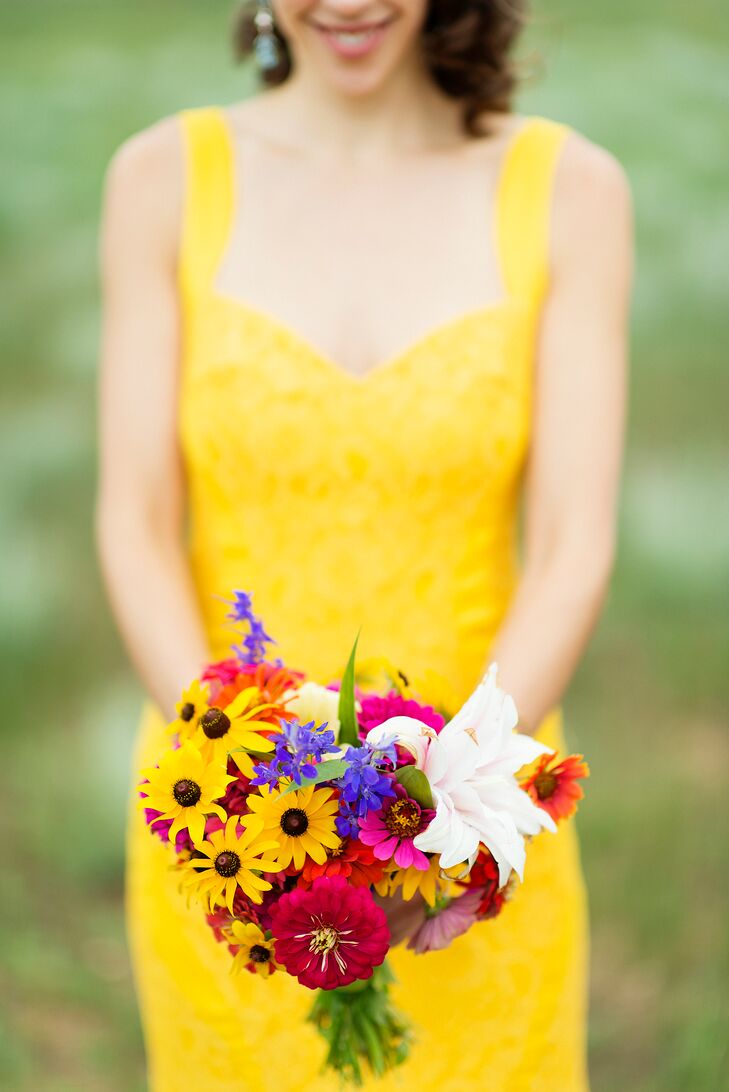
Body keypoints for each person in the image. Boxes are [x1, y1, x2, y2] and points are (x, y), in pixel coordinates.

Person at [96, 2, 633, 1088]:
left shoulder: (569, 191)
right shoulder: (162, 180)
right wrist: (239, 792)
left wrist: (443, 805)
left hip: (477, 808)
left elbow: (574, 544)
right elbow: (135, 521)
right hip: (231, 821)